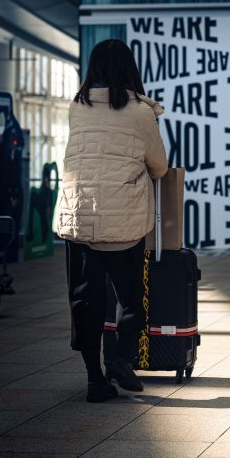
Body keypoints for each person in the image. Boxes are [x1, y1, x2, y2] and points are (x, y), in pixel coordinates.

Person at [58, 39, 168, 402]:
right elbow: (159, 166)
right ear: (129, 69)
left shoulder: (78, 105)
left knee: (85, 300)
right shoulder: (140, 111)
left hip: (80, 218)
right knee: (132, 298)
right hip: (122, 223)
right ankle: (120, 357)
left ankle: (95, 380)